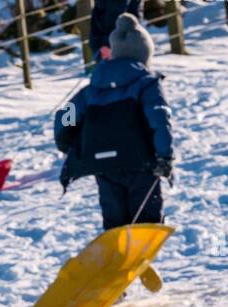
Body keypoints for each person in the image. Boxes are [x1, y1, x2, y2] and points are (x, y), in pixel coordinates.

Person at [55, 14, 175, 229]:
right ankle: (136, 258)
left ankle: (117, 256)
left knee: (115, 219)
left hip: (102, 163)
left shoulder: (92, 89)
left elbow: (65, 114)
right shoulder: (147, 84)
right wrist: (165, 155)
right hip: (140, 161)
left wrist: (66, 141)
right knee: (146, 220)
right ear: (144, 55)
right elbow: (159, 118)